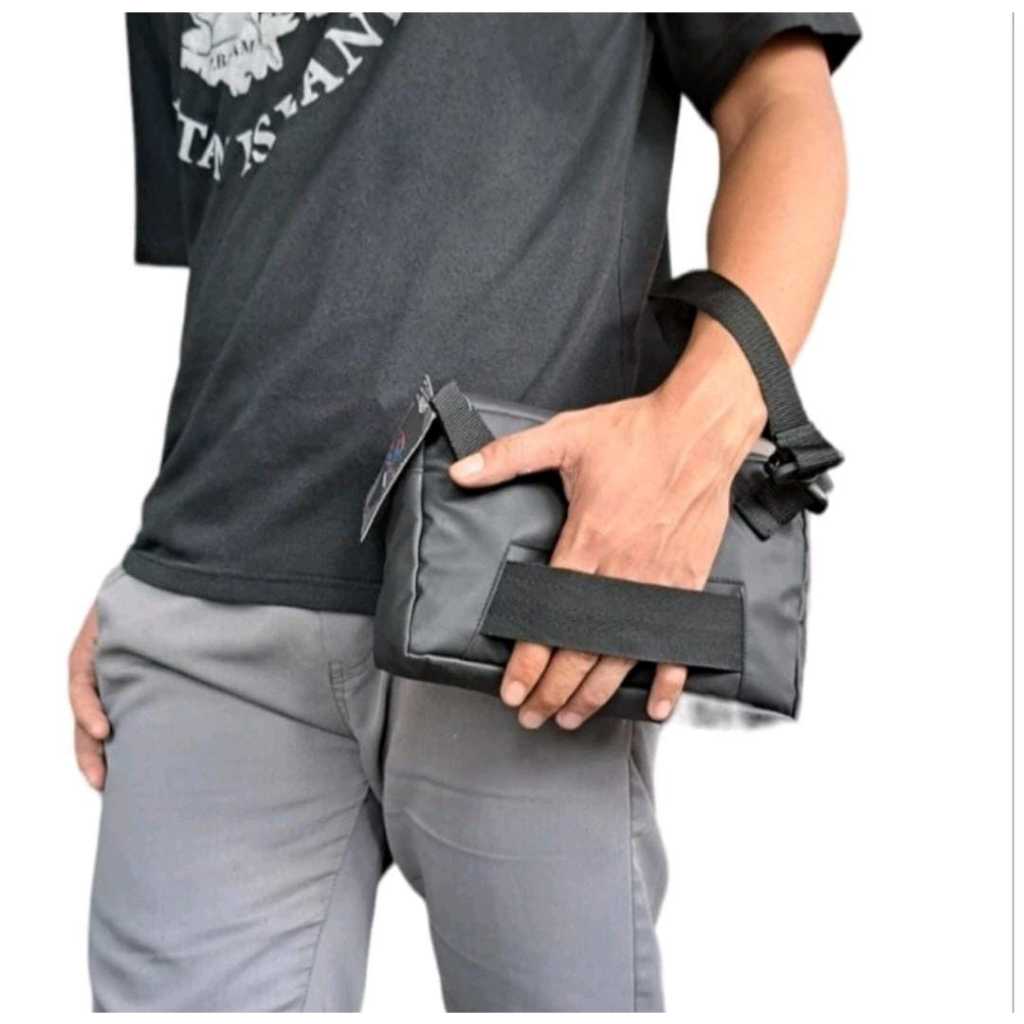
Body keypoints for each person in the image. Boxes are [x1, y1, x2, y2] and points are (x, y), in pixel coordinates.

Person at [71, 13, 859, 1012]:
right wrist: (166, 549)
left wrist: (689, 442)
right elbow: (264, 256)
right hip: (206, 626)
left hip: (527, 597)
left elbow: (780, 105)